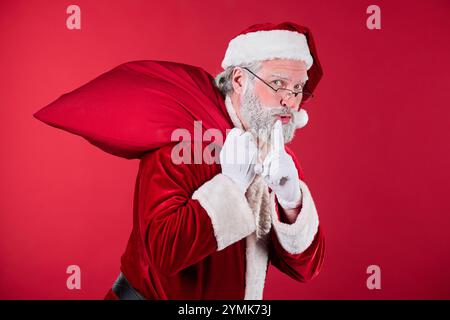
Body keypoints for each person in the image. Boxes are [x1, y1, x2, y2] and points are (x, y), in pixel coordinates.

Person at [105, 22, 325, 300]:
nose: (290, 101)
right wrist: (231, 186)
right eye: (278, 83)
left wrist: (292, 202)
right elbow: (163, 253)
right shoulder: (182, 142)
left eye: (298, 88)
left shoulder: (279, 157)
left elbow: (305, 270)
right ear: (239, 80)